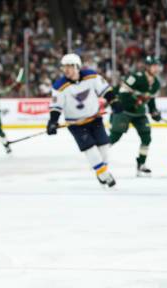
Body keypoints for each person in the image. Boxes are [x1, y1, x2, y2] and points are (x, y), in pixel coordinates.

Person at [47, 54, 124, 188]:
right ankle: (105, 175)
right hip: (76, 124)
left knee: (104, 148)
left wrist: (114, 101)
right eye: (64, 67)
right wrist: (52, 121)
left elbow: (106, 90)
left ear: (77, 66)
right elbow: (56, 106)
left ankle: (101, 171)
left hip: (95, 119)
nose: (66, 70)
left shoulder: (91, 76)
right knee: (91, 150)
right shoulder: (59, 86)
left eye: (69, 67)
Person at [110, 55, 162, 177]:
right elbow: (122, 94)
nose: (155, 68)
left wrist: (154, 111)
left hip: (139, 114)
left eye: (157, 66)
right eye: (153, 66)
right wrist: (136, 102)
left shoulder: (156, 84)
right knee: (114, 136)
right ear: (147, 67)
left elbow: (150, 101)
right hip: (124, 111)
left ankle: (141, 165)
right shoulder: (135, 77)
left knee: (146, 138)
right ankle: (99, 158)